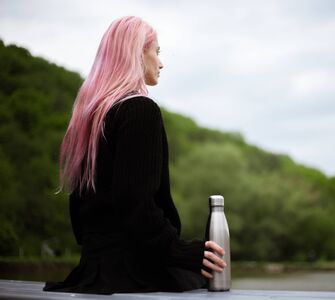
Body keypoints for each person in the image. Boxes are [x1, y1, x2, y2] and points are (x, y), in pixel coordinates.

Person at [43, 16, 227, 294]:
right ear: (138, 54)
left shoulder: (91, 118)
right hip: (133, 274)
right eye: (157, 52)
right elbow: (135, 204)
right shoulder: (140, 110)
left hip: (92, 271)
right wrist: (184, 252)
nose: (161, 63)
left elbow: (81, 212)